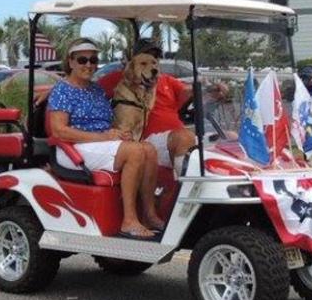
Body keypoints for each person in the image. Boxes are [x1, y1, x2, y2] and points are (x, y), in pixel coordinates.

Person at [47, 38, 164, 239]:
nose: (89, 65)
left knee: (149, 150)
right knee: (135, 151)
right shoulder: (63, 90)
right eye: (82, 60)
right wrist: (103, 137)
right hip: (72, 148)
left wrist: (118, 134)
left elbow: (109, 120)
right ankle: (129, 221)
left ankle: (149, 215)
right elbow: (59, 131)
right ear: (71, 62)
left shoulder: (96, 89)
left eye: (93, 60)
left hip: (98, 144)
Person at [99, 39, 227, 173]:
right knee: (183, 137)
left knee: (229, 138)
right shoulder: (122, 78)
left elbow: (187, 93)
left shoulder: (167, 80)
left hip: (177, 139)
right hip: (148, 141)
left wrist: (213, 91)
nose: (151, 63)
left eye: (154, 58)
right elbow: (91, 94)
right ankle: (185, 186)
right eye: (144, 59)